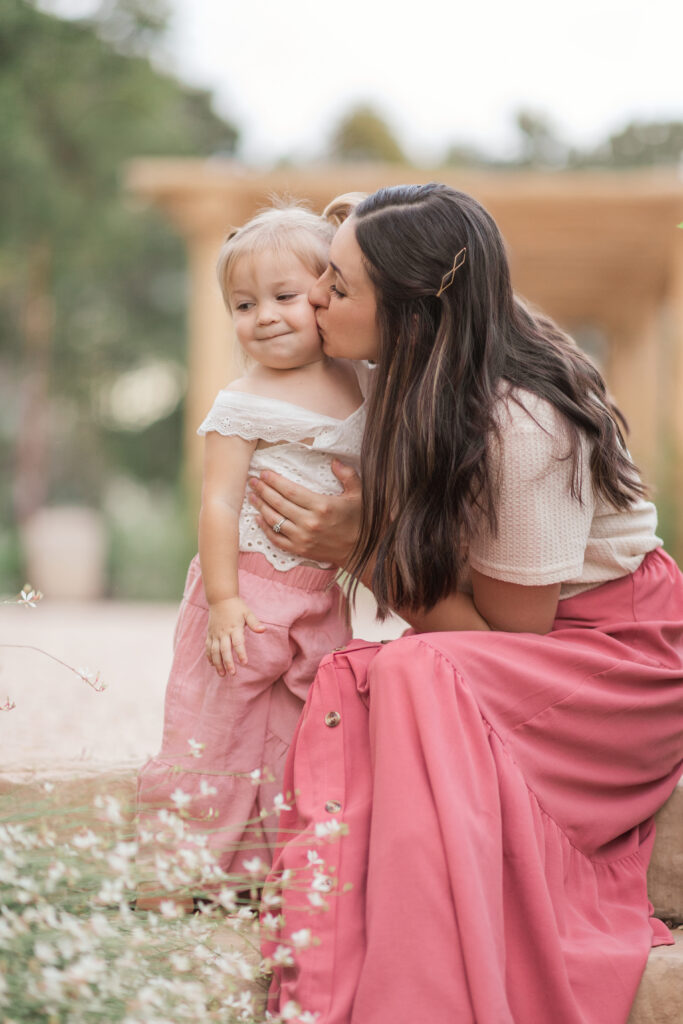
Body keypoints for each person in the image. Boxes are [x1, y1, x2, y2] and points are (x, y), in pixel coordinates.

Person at [253, 184, 683, 1024]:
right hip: (532, 638)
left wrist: (361, 552)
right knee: (383, 678)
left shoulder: (520, 426)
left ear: (413, 312)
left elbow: (503, 646)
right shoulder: (419, 372)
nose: (313, 299)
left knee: (408, 673)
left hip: (610, 663)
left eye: (337, 287)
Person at [136, 203, 367, 909]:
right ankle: (173, 876)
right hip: (246, 592)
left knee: (303, 730)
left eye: (284, 296)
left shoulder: (359, 382)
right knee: (214, 728)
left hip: (318, 594)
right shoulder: (243, 401)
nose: (263, 316)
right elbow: (219, 504)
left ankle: (274, 874)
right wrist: (226, 600)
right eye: (243, 304)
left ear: (327, 295)